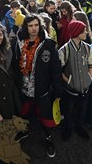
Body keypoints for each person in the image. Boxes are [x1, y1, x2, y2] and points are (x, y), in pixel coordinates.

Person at [11, 14, 62, 158]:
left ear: (40, 26)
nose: (33, 29)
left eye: (36, 25)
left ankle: (48, 138)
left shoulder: (48, 44)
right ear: (26, 27)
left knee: (45, 117)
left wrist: (57, 89)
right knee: (24, 113)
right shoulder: (18, 42)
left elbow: (55, 69)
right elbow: (15, 65)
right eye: (30, 26)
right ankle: (23, 131)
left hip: (42, 90)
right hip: (24, 89)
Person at [58, 20, 92, 141]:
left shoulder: (88, 47)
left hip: (85, 86)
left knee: (82, 108)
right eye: (83, 31)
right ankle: (68, 128)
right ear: (76, 32)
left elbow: (90, 65)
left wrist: (89, 78)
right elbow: (60, 70)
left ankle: (79, 126)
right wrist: (69, 81)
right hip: (70, 89)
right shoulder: (64, 50)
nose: (86, 32)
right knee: (69, 109)